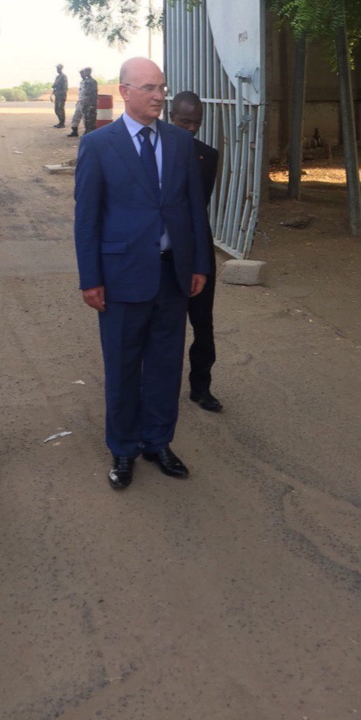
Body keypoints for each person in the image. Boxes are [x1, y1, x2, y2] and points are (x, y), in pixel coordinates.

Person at [74, 58, 211, 490]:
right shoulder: (99, 145)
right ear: (125, 91)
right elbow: (87, 219)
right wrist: (90, 277)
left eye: (162, 88)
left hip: (172, 276)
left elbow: (193, 211)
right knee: (122, 366)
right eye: (149, 88)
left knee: (166, 366)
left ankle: (158, 442)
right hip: (120, 278)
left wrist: (200, 266)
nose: (158, 96)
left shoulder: (180, 143)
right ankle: (123, 447)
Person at [169, 91, 223, 412]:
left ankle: (201, 387)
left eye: (196, 122)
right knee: (167, 326)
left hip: (199, 251)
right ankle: (161, 388)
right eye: (184, 121)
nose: (190, 128)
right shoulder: (157, 152)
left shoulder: (208, 156)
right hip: (166, 256)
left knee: (203, 324)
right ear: (171, 116)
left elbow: (198, 206)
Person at [68, 67, 98, 137]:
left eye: (84, 72)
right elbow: (81, 93)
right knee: (76, 116)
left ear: (89, 72)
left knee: (87, 119)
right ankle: (74, 131)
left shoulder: (92, 81)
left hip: (88, 104)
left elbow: (92, 94)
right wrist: (78, 101)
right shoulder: (83, 82)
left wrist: (90, 104)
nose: (82, 74)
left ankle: (88, 134)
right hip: (81, 102)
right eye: (81, 73)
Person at [51, 63, 68, 128]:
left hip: (61, 96)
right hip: (57, 95)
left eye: (58, 68)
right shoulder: (57, 77)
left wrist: (62, 95)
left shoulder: (63, 76)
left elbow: (65, 87)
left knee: (61, 109)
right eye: (57, 68)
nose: (57, 69)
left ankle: (62, 123)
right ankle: (60, 121)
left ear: (61, 69)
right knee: (56, 109)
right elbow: (54, 86)